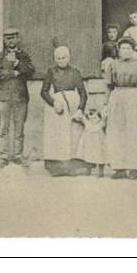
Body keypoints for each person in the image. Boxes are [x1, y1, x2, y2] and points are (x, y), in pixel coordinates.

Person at [104, 38, 137, 179]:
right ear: (118, 50)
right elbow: (108, 86)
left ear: (133, 50)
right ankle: (119, 167)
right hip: (117, 98)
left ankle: (134, 167)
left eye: (128, 48)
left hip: (132, 97)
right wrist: (105, 104)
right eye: (123, 48)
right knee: (117, 132)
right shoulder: (113, 65)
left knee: (133, 132)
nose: (125, 51)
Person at [40, 45, 89, 176]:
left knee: (73, 135)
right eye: (58, 58)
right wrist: (53, 102)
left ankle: (74, 165)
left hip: (73, 106)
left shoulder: (75, 72)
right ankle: (57, 167)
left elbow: (83, 93)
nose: (61, 60)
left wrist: (80, 109)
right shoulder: (51, 71)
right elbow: (43, 92)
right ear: (55, 59)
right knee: (58, 136)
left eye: (64, 57)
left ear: (68, 58)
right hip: (58, 108)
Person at [0, 27, 35, 167]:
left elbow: (30, 72)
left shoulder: (24, 56)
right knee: (3, 128)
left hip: (20, 96)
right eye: (7, 38)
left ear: (18, 39)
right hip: (3, 96)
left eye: (13, 37)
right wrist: (15, 73)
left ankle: (18, 155)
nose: (10, 41)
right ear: (4, 41)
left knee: (19, 128)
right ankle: (3, 156)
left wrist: (18, 63)